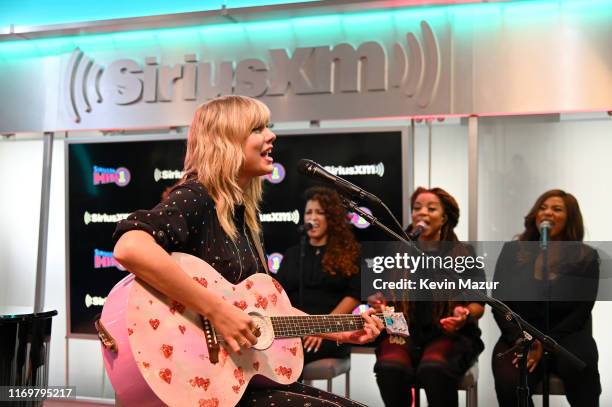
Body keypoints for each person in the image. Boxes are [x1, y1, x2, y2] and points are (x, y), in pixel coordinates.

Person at [112, 95, 383, 407]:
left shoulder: (243, 217)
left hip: (235, 381)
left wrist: (338, 331)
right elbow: (130, 247)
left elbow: (266, 316)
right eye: (257, 129)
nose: (271, 135)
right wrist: (217, 311)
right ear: (227, 141)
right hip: (201, 380)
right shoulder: (197, 195)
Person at [370, 187, 485, 407]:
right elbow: (383, 295)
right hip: (403, 330)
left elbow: (478, 304)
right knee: (390, 366)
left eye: (431, 209)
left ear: (444, 218)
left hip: (447, 333)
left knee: (434, 368)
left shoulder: (463, 253)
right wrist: (380, 303)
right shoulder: (396, 252)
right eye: (417, 208)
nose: (422, 213)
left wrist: (464, 314)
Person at [491, 189, 601, 407]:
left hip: (568, 334)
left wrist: (545, 342)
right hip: (521, 333)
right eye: (542, 207)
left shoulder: (586, 257)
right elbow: (499, 302)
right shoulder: (513, 251)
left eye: (557, 209)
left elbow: (581, 310)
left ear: (570, 218)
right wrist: (523, 338)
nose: (547, 213)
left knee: (581, 371)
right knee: (509, 380)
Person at [275, 186, 361, 366]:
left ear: (331, 218)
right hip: (295, 329)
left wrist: (322, 329)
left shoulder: (348, 253)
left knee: (292, 355)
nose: (312, 218)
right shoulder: (293, 253)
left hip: (331, 330)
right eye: (308, 212)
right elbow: (278, 293)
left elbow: (354, 295)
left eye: (319, 212)